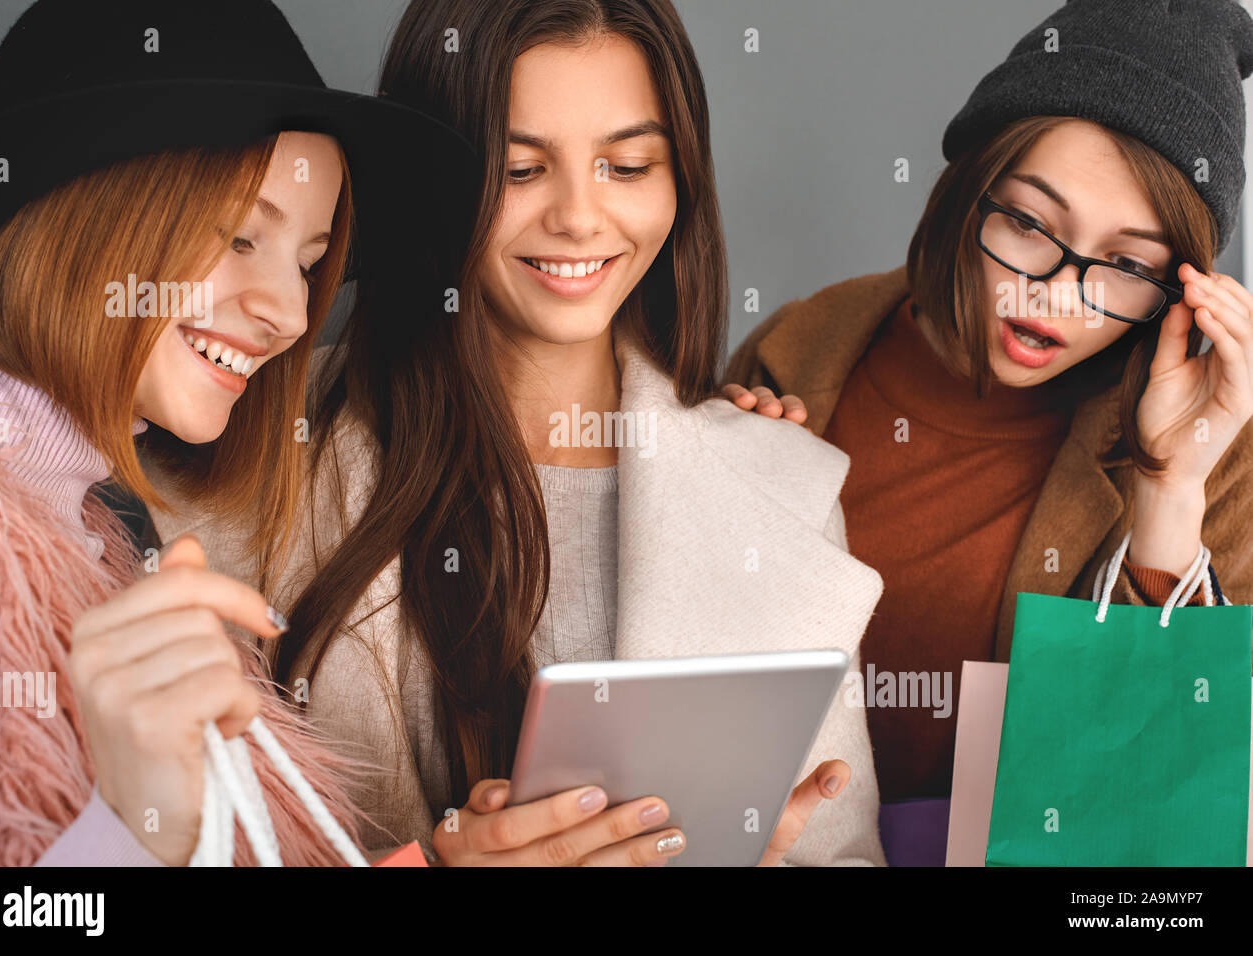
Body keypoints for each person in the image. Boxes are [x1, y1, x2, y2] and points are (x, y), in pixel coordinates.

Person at [151, 0, 888, 867]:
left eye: (627, 164)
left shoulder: (781, 486)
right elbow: (163, 840)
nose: (580, 216)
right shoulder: (254, 448)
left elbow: (840, 854)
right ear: (437, 173)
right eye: (522, 168)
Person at [726, 0, 1253, 865]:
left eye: (1125, 266)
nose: (1056, 294)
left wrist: (1168, 489)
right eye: (1032, 224)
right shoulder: (794, 354)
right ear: (969, 189)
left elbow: (1156, 826)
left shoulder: (1220, 451)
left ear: (1181, 285)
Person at [0, 0, 474, 866]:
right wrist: (129, 827)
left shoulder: (87, 526)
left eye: (310, 264)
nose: (293, 312)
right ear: (83, 215)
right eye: (239, 237)